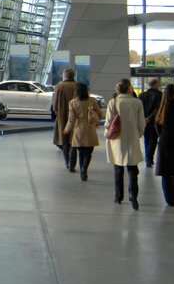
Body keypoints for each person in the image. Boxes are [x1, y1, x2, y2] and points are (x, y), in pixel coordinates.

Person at [105, 78, 146, 208]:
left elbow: (108, 122)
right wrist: (138, 134)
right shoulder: (137, 103)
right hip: (132, 138)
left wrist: (108, 134)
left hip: (117, 139)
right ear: (129, 88)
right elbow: (141, 123)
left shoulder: (113, 102)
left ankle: (118, 197)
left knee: (118, 169)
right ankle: (133, 197)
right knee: (133, 169)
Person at [63, 82, 103, 181]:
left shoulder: (73, 103)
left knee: (81, 152)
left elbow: (71, 119)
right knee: (88, 152)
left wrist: (66, 130)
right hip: (90, 129)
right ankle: (84, 169)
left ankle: (82, 170)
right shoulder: (92, 101)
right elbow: (100, 113)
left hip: (79, 130)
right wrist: (94, 119)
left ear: (76, 91)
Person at [51, 68, 79, 172]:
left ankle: (67, 161)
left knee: (64, 140)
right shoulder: (77, 86)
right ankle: (72, 163)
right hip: (76, 117)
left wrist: (57, 112)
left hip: (62, 117)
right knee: (73, 141)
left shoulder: (59, 86)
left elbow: (55, 105)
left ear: (65, 75)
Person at [140, 78, 162, 168]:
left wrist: (144, 118)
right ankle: (149, 158)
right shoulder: (160, 95)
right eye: (158, 84)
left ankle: (147, 157)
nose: (159, 86)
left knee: (146, 139)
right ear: (155, 85)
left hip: (144, 121)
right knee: (153, 140)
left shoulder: (142, 95)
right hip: (155, 122)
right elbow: (159, 109)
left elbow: (139, 108)